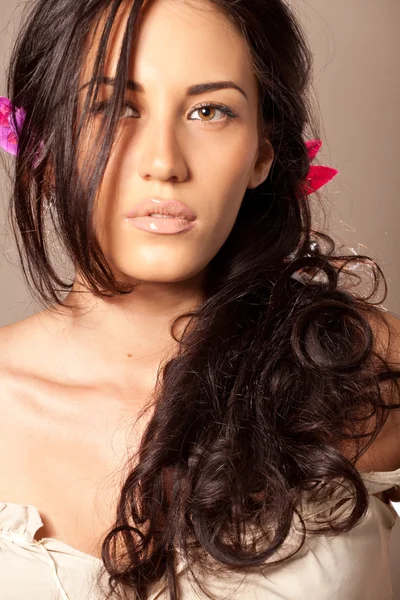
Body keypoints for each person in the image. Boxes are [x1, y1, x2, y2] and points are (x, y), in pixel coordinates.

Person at [0, 0, 399, 598]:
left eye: (209, 111)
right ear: (42, 146)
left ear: (263, 153)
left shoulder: (365, 370)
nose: (164, 163)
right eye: (114, 107)